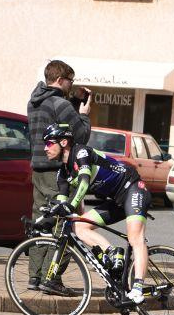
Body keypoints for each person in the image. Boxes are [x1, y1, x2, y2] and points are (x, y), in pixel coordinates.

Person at [42, 123, 151, 304]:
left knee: (135, 238)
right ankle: (112, 252)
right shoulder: (63, 173)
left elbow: (84, 182)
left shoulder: (81, 153)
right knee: (79, 226)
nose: (46, 148)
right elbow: (62, 203)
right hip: (115, 200)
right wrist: (49, 218)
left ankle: (138, 288)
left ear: (63, 142)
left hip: (132, 188)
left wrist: (71, 205)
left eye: (49, 143)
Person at [27, 59, 91, 296]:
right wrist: (84, 114)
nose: (71, 85)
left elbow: (55, 122)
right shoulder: (60, 103)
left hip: (38, 169)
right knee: (63, 223)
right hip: (57, 171)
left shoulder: (34, 102)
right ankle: (51, 278)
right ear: (60, 79)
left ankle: (34, 276)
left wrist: (72, 104)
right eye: (70, 81)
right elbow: (81, 135)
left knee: (41, 221)